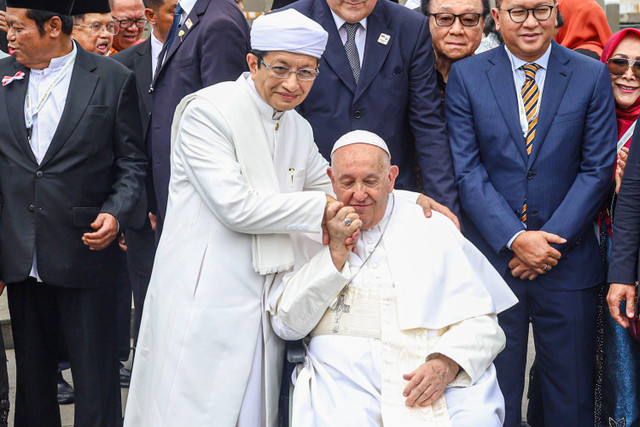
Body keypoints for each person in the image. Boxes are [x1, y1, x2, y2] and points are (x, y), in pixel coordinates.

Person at [269, 130, 518, 426]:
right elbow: (286, 326)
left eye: (371, 181)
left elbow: (484, 326)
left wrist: (447, 363)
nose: (359, 194)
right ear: (331, 178)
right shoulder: (308, 232)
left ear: (391, 178)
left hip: (434, 372)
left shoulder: (432, 225)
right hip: (344, 380)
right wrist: (334, 256)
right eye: (347, 182)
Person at [445, 0, 617, 425]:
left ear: (557, 13)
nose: (530, 22)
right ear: (497, 16)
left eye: (540, 9)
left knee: (570, 398)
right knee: (492, 396)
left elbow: (596, 170)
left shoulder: (590, 73)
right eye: (518, 11)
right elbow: (467, 171)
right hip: (494, 264)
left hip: (569, 263)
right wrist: (517, 239)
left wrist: (548, 241)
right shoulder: (468, 75)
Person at [0, 0, 146, 425]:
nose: (9, 36)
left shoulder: (112, 79)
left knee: (96, 375)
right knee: (32, 375)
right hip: (21, 251)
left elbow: (132, 163)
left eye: (17, 27)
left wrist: (116, 213)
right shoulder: (4, 76)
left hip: (87, 248)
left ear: (53, 27)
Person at [286, 0, 459, 214]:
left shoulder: (409, 27)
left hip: (393, 198)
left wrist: (444, 209)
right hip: (315, 199)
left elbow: (428, 125)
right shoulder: (291, 24)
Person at [148, 0, 250, 228]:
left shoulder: (220, 21)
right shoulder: (187, 14)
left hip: (198, 200)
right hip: (174, 188)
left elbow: (223, 117)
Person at [112, 0, 176, 358]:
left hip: (186, 205)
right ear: (152, 17)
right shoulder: (120, 68)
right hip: (140, 215)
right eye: (174, 13)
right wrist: (128, 209)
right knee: (148, 301)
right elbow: (118, 148)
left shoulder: (195, 59)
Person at [603, 29, 640, 427]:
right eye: (619, 62)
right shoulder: (584, 117)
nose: (629, 75)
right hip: (582, 258)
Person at [422, 0, 489, 109]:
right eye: (445, 18)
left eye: (469, 19)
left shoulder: (496, 79)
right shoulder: (408, 75)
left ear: (483, 25)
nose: (457, 30)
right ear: (426, 21)